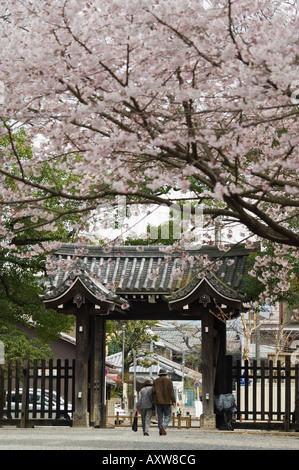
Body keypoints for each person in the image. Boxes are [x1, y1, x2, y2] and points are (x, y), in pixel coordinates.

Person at [153, 368, 175, 436]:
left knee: (160, 416)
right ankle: (164, 425)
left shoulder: (155, 381)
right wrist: (174, 401)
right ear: (165, 374)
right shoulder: (169, 381)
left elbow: (153, 391)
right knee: (168, 415)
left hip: (158, 401)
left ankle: (160, 431)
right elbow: (171, 392)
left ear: (159, 374)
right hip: (167, 401)